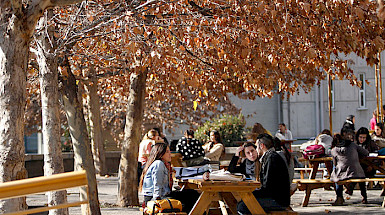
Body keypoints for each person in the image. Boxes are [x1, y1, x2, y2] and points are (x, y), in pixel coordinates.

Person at [237, 134, 290, 214]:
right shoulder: (270, 157)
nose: (256, 149)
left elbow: (268, 187)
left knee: (243, 206)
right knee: (243, 202)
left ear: (262, 146)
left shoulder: (271, 158)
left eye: (256, 146)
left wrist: (251, 193)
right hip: (276, 198)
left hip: (278, 201)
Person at [139, 142, 199, 212]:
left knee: (191, 194)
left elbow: (180, 170)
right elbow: (157, 185)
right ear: (160, 154)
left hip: (162, 194)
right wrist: (156, 202)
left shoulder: (164, 164)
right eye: (167, 152)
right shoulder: (159, 164)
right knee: (190, 200)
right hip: (155, 198)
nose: (170, 154)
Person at [330, 127, 369, 205]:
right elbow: (366, 153)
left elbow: (334, 163)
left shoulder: (334, 150)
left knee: (336, 172)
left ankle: (339, 197)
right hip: (356, 173)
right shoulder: (353, 145)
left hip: (341, 173)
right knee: (359, 171)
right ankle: (364, 197)